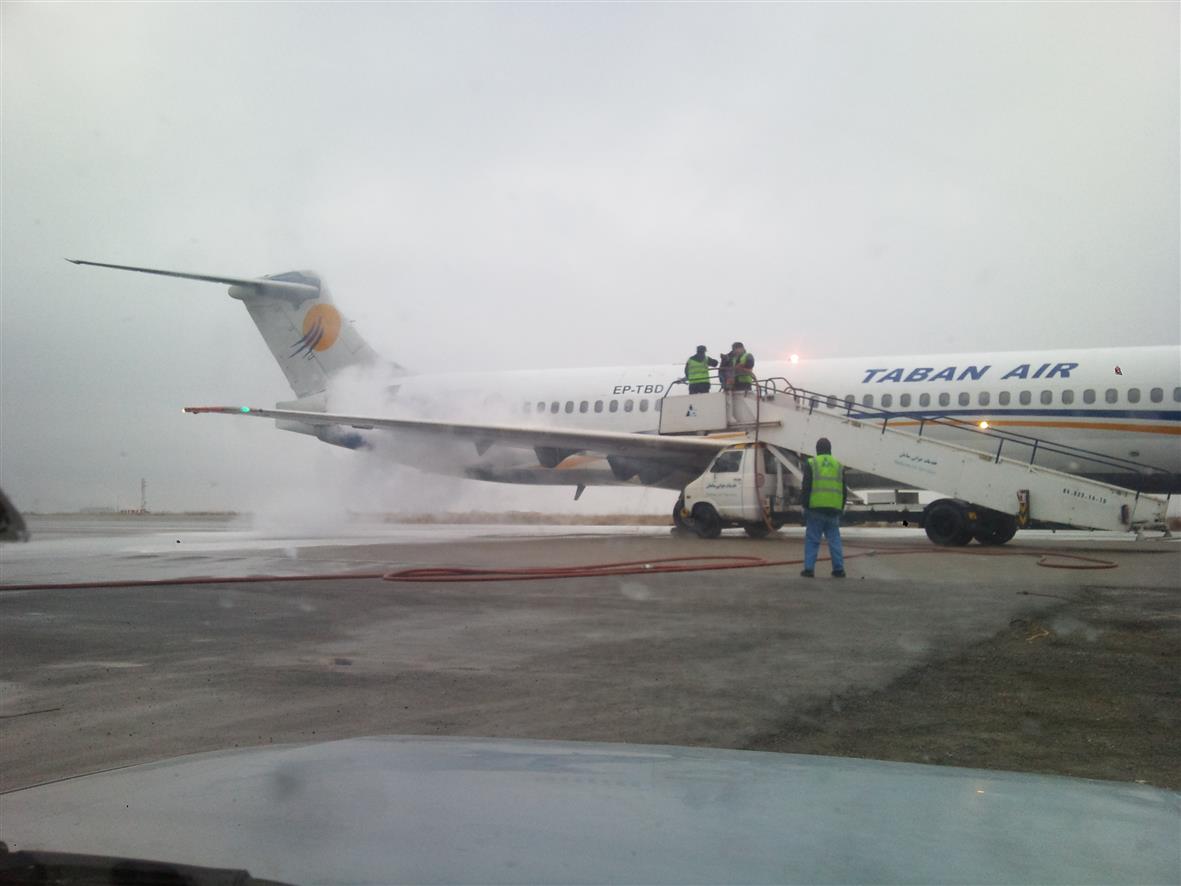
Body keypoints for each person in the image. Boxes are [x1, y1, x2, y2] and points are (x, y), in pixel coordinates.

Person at [800, 437, 847, 578]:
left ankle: (809, 569)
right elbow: (844, 489)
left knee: (812, 539)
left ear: (817, 450)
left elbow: (806, 486)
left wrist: (804, 505)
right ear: (830, 449)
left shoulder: (812, 463)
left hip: (815, 509)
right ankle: (839, 569)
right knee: (834, 540)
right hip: (833, 509)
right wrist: (841, 507)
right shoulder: (838, 465)